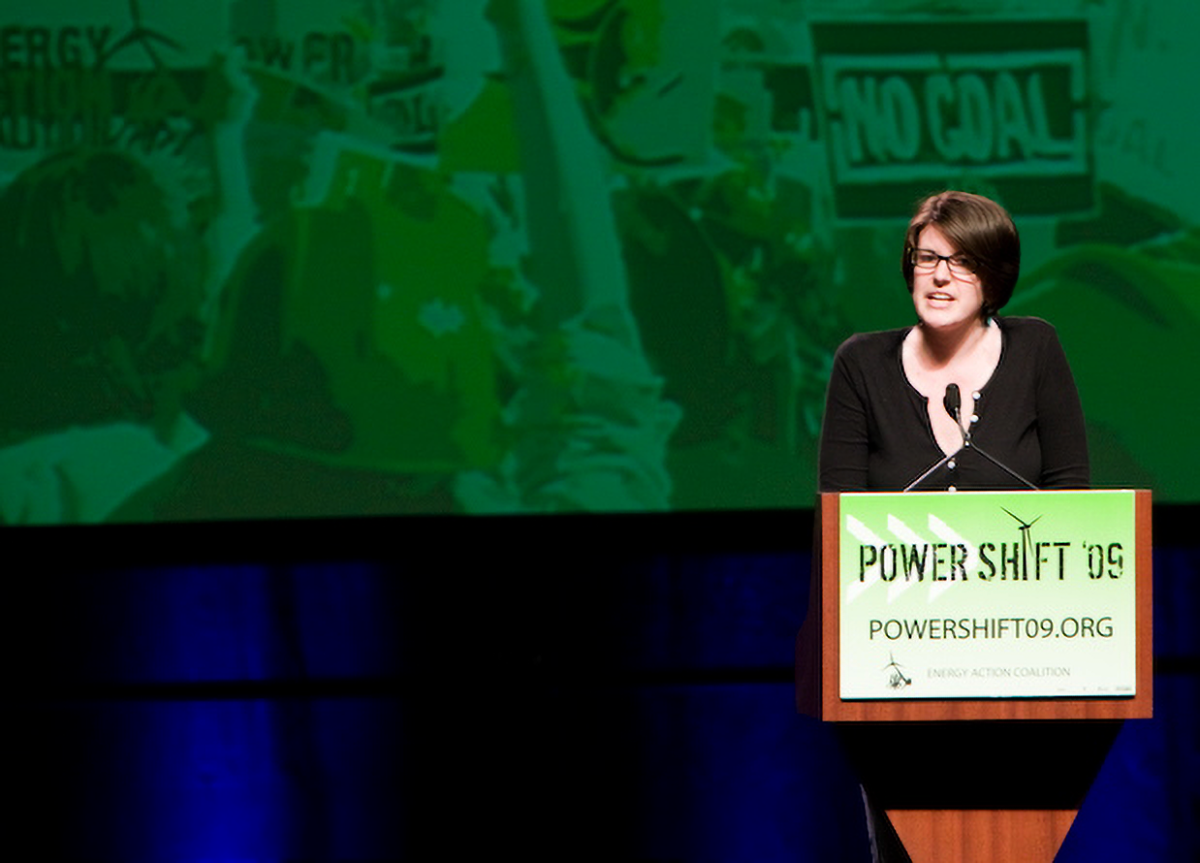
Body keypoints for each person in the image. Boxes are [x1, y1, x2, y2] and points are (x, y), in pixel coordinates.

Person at [818, 190, 1089, 493]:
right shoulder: (861, 363)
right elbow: (838, 510)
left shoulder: (1035, 348)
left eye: (962, 261)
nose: (940, 275)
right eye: (927, 258)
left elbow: (1071, 493)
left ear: (992, 277)